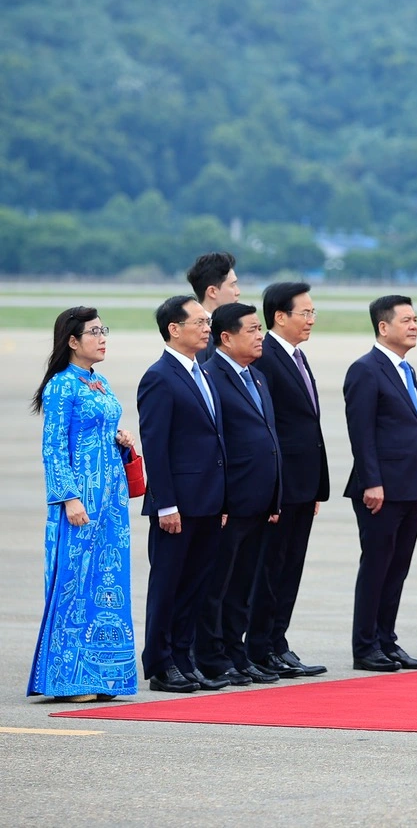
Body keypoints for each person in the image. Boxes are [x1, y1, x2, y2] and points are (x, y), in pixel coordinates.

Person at [28, 307, 138, 702]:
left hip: (110, 502)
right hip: (81, 502)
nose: (102, 337)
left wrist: (120, 440)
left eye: (103, 330)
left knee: (107, 583)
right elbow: (53, 447)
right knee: (76, 583)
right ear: (72, 341)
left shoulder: (99, 382)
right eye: (94, 332)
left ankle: (105, 676)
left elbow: (95, 437)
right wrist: (69, 497)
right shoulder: (62, 386)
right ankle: (68, 677)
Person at [137, 295, 229, 692]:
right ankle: (160, 663)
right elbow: (155, 446)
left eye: (208, 321)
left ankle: (183, 658)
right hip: (178, 505)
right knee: (168, 585)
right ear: (174, 329)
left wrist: (223, 499)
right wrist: (166, 503)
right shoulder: (159, 376)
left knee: (195, 585)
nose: (207, 327)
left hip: (209, 501)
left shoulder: (201, 373)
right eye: (200, 321)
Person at [343, 295, 417, 672]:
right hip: (381, 489)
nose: (414, 326)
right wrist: (372, 482)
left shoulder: (406, 370)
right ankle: (365, 646)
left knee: (397, 568)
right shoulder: (366, 369)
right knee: (377, 566)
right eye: (406, 320)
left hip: (410, 487)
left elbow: (413, 431)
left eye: (415, 319)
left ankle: (386, 640)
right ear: (383, 327)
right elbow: (360, 433)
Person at [194, 304, 282, 686]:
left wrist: (275, 497)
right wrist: (225, 500)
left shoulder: (257, 378)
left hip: (261, 502)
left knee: (244, 583)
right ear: (225, 338)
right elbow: (217, 446)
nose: (260, 335)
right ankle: (211, 655)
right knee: (219, 583)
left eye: (260, 328)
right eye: (251, 329)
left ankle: (235, 649)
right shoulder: (212, 376)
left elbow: (270, 441)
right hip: (232, 502)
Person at [249, 281, 328, 679]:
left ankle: (277, 642)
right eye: (306, 312)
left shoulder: (296, 356)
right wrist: (277, 489)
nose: (312, 319)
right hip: (282, 486)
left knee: (290, 568)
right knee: (271, 568)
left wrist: (315, 485)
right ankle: (260, 647)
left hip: (304, 484)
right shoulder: (266, 358)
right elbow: (270, 430)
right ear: (280, 316)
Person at [186, 251, 240, 363]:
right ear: (212, 291)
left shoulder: (231, 328)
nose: (238, 292)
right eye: (232, 285)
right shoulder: (196, 337)